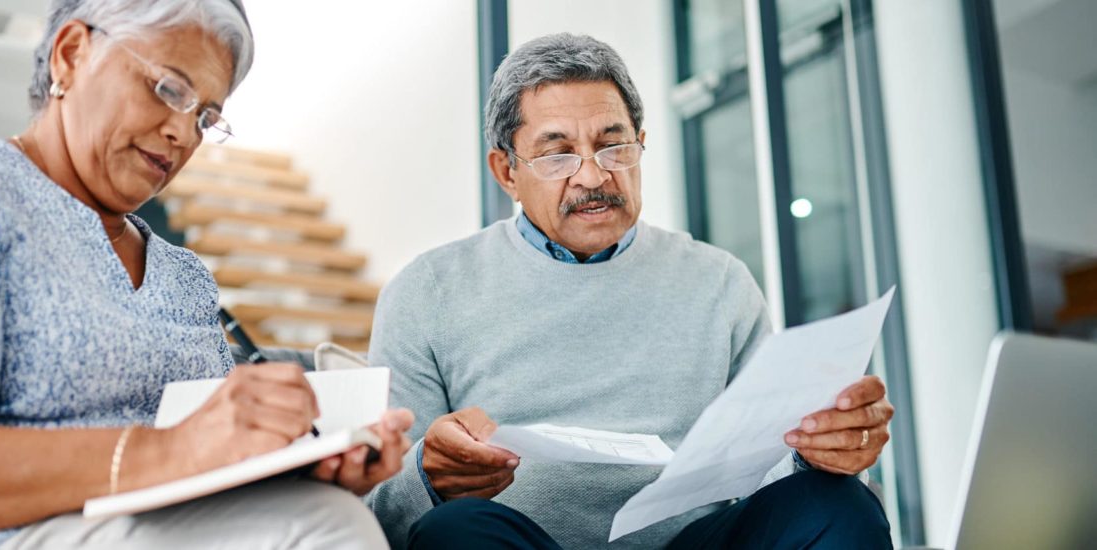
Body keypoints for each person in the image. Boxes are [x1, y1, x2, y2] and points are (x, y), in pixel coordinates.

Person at [0, 1, 412, 548]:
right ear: (70, 54)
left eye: (205, 118)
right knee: (325, 529)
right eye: (169, 89)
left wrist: (300, 460)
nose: (181, 133)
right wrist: (169, 451)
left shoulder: (185, 278)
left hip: (155, 520)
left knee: (330, 510)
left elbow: (207, 456)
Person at [364, 33, 893, 549]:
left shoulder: (719, 283)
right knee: (454, 532)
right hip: (513, 541)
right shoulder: (427, 292)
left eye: (613, 144)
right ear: (507, 171)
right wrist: (430, 477)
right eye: (558, 154)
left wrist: (818, 447)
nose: (593, 176)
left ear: (640, 145)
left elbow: (765, 465)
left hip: (690, 542)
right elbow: (379, 511)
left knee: (840, 504)